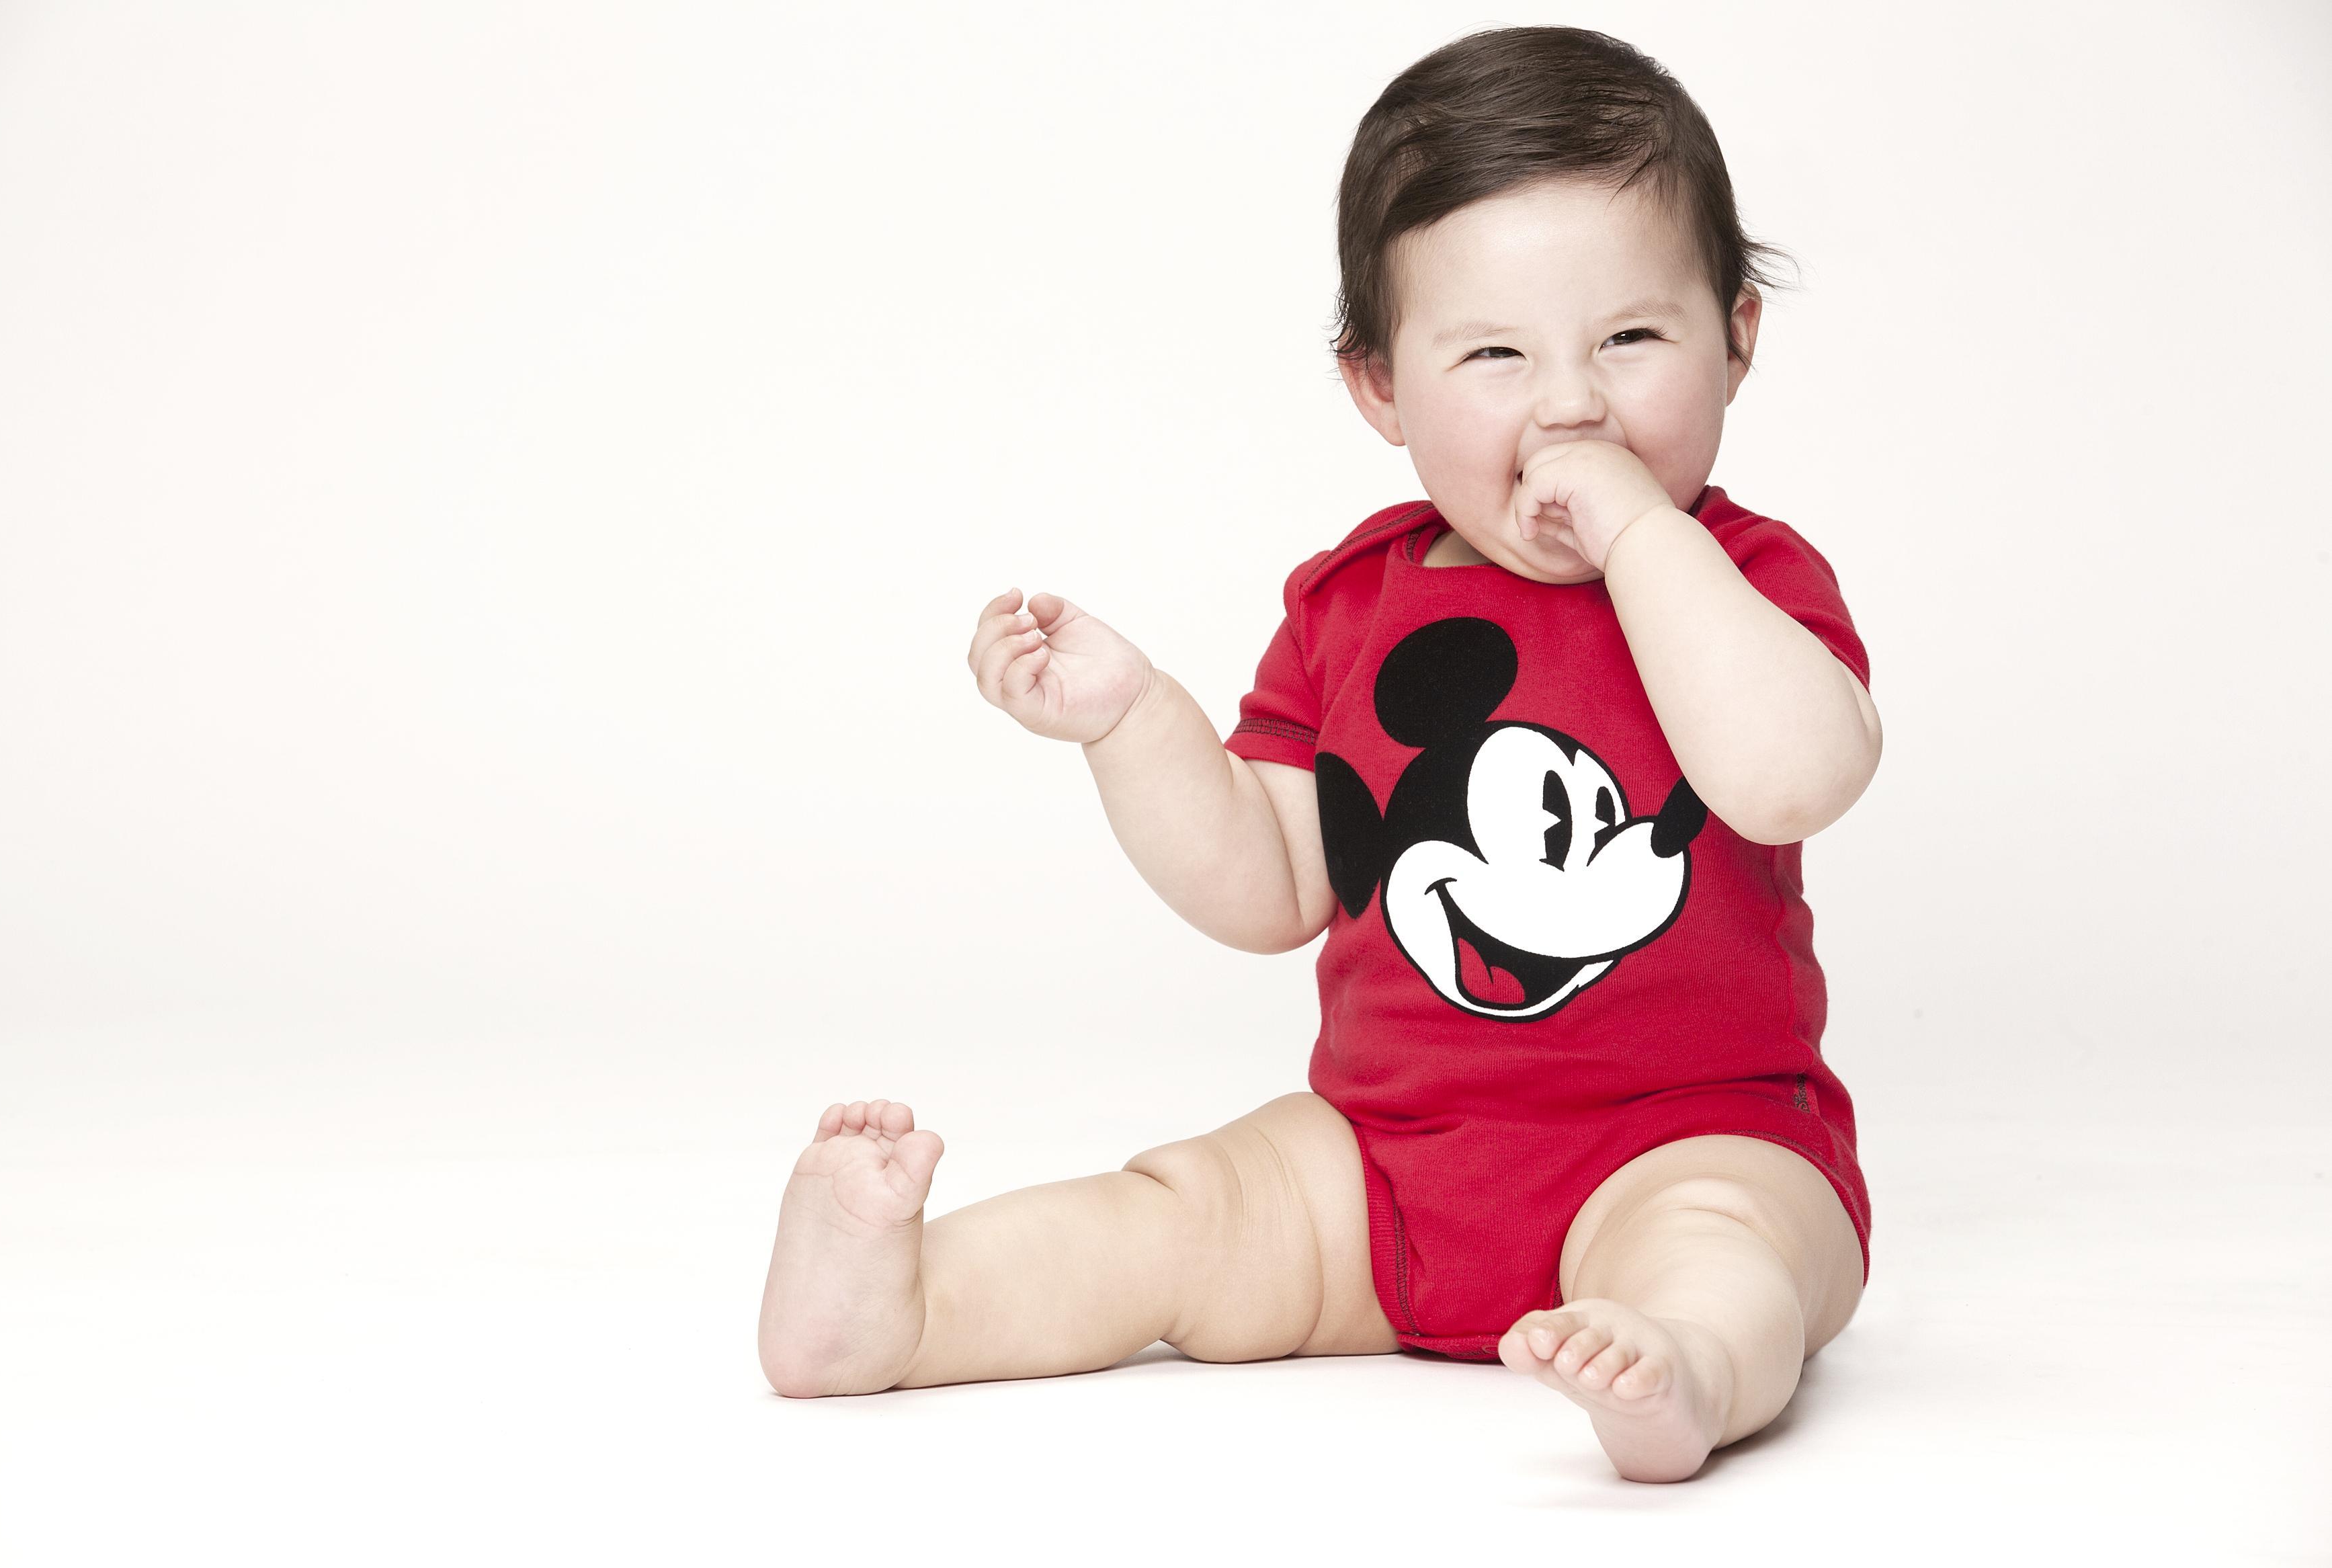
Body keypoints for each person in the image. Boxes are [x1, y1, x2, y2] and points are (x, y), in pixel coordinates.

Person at [757, 24, 1881, 1485]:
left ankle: (1683, 1370)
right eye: (1495, 353)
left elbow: (1790, 774)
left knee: (1736, 1247)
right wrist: (1134, 724)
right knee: (1184, 1210)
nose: (1570, 404)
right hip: (1388, 1159)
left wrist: (1637, 530)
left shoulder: (1744, 579)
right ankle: (897, 1305)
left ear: (1737, 335)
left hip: (1691, 1139)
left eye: (1630, 339)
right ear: (1379, 387)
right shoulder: (1353, 605)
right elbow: (1274, 883)